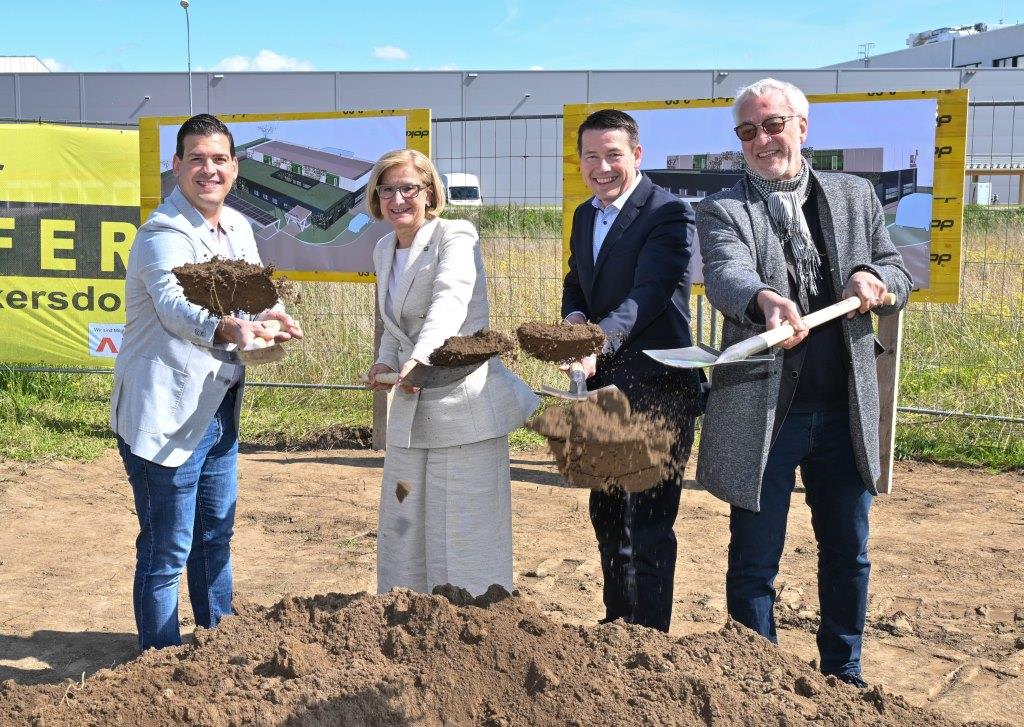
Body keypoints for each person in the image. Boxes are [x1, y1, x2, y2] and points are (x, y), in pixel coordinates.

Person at [695, 79, 911, 686]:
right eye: (748, 131)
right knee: (755, 557)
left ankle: (843, 673)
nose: (762, 139)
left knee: (848, 552)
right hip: (765, 412)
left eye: (773, 125)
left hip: (844, 411)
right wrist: (763, 300)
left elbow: (896, 267)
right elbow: (726, 275)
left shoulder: (853, 194)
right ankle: (756, 680)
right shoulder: (725, 209)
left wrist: (873, 276)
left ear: (802, 127)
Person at [111, 114, 302, 650]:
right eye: (196, 158)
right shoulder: (161, 235)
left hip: (217, 408)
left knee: (215, 536)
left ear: (235, 168)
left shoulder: (238, 228)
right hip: (164, 415)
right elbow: (176, 308)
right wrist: (226, 326)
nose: (208, 169)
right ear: (176, 165)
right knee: (167, 548)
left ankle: (217, 645)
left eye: (219, 159)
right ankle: (161, 661)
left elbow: (257, 292)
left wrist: (276, 317)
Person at [364, 149, 539, 597]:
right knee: (405, 518)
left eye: (409, 188)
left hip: (464, 404)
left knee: (464, 526)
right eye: (388, 189)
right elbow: (392, 323)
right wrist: (386, 361)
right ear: (377, 196)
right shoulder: (384, 249)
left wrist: (419, 359)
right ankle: (404, 615)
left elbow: (450, 299)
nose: (398, 198)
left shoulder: (455, 235)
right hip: (411, 404)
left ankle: (474, 624)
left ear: (430, 192)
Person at [561, 109, 703, 632]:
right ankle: (617, 629)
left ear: (637, 156)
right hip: (603, 386)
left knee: (648, 522)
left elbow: (648, 295)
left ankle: (649, 642)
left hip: (659, 386)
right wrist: (574, 317)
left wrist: (596, 339)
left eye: (613, 155)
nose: (602, 167)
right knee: (607, 513)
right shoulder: (582, 215)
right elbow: (577, 280)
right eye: (592, 156)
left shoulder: (666, 214)